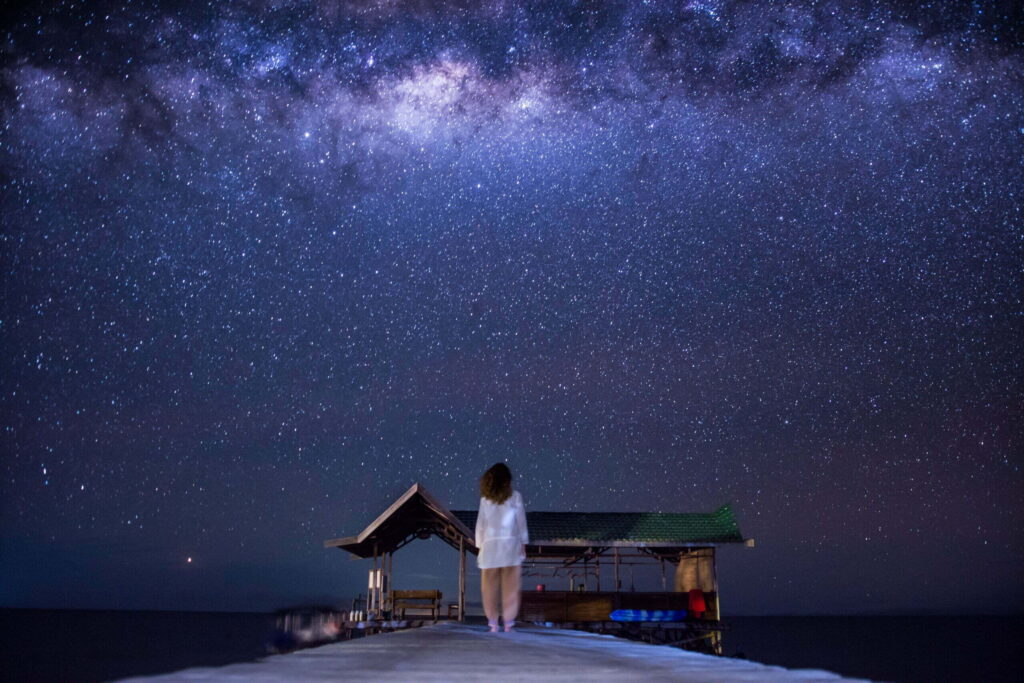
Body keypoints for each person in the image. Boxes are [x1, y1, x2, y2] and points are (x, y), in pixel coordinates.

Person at [475, 462, 529, 633]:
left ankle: (492, 623)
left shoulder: (485, 500)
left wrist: (479, 545)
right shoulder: (515, 497)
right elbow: (521, 521)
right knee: (510, 587)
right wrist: (523, 543)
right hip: (510, 545)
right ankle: (508, 623)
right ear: (507, 480)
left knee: (489, 588)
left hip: (490, 546)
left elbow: (481, 525)